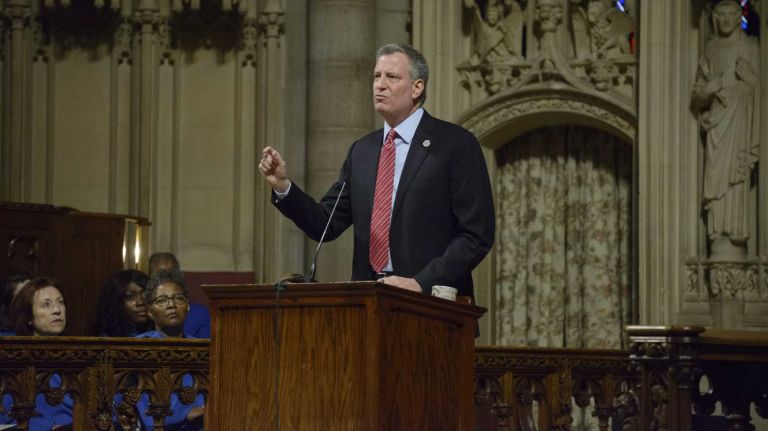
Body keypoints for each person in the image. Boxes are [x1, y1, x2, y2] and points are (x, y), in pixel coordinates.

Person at [259, 43, 495, 299]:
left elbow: (476, 234)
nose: (379, 85)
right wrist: (283, 187)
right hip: (368, 301)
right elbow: (324, 224)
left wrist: (421, 282)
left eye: (391, 77)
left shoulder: (455, 144)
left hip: (430, 303)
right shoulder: (362, 151)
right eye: (376, 76)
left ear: (417, 87)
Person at [692, 0, 760, 258]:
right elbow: (697, 96)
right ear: (714, 17)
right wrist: (708, 90)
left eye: (732, 13)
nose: (726, 19)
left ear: (739, 15)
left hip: (740, 126)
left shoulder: (751, 46)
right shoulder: (710, 47)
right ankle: (718, 239)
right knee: (716, 182)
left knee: (736, 181)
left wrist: (751, 83)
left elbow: (762, 93)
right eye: (720, 14)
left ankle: (735, 244)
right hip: (716, 129)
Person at [132, 269, 205, 430]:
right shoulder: (139, 347)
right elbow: (142, 405)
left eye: (178, 298)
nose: (171, 305)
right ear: (150, 311)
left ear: (188, 306)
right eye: (162, 300)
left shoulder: (202, 348)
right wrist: (185, 413)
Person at [6, 277, 74, 429]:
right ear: (29, 317)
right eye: (46, 305)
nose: (57, 310)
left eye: (60, 302)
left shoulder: (80, 356)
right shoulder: (12, 360)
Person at [148, 252, 210, 338]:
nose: (171, 305)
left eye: (170, 274)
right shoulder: (141, 314)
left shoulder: (200, 314)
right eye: (160, 275)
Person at [94, 269, 153, 337]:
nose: (140, 302)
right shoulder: (107, 339)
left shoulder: (162, 333)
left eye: (145, 294)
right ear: (118, 303)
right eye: (130, 297)